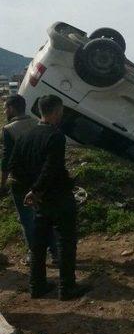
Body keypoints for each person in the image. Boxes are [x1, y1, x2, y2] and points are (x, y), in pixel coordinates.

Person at [8, 95, 86, 300]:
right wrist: (37, 189)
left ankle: (37, 286)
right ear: (56, 111)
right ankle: (67, 287)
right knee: (66, 242)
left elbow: (14, 166)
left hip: (40, 202)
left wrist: (31, 190)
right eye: (61, 111)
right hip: (58, 197)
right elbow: (51, 167)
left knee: (38, 244)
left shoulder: (26, 136)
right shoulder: (56, 136)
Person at [1, 95, 58, 264]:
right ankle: (56, 253)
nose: (4, 111)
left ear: (11, 108)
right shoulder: (38, 123)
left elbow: (7, 160)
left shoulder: (9, 129)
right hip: (42, 181)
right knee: (47, 216)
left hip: (21, 182)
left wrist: (2, 182)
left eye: (5, 108)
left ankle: (35, 256)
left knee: (27, 219)